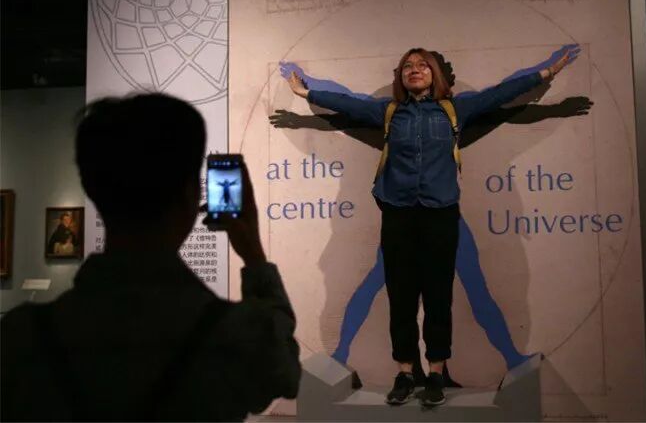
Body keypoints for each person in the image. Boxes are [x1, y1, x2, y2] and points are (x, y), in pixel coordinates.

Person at [285, 45, 578, 406]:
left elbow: (501, 94)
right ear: (401, 76)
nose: (415, 69)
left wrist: (546, 74)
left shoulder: (455, 109)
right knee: (401, 298)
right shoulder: (389, 111)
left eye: (423, 65)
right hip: (397, 213)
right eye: (408, 65)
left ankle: (436, 373)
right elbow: (347, 104)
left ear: (434, 74)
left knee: (439, 297)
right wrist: (306, 94)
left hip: (441, 213)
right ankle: (405, 373)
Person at [0, 94, 300, 421]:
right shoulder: (236, 334)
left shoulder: (20, 338)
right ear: (191, 195)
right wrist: (254, 256)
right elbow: (284, 374)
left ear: (92, 190)